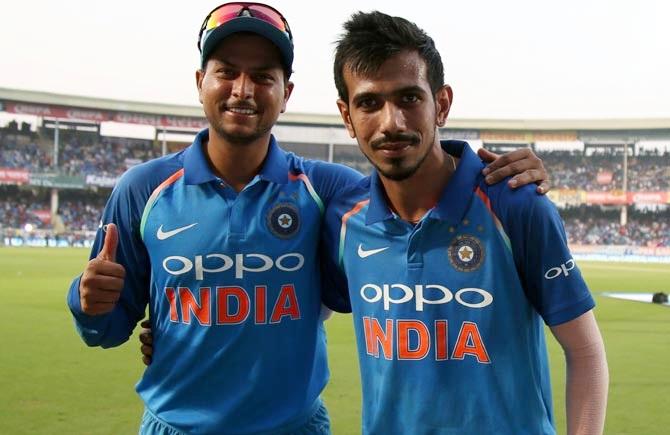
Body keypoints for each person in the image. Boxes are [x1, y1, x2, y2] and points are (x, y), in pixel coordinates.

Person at [68, 3, 549, 434]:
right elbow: (105, 330)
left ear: (286, 92)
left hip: (294, 427)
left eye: (263, 76)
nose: (243, 90)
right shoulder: (143, 189)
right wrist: (89, 305)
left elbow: (415, 191)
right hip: (176, 425)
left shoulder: (329, 189)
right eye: (226, 72)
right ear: (200, 83)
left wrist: (502, 174)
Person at [318, 11, 609, 435]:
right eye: (369, 103)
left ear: (442, 104)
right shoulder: (343, 220)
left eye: (409, 98)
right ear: (347, 116)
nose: (391, 122)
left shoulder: (516, 205)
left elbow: (586, 354)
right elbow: (303, 320)